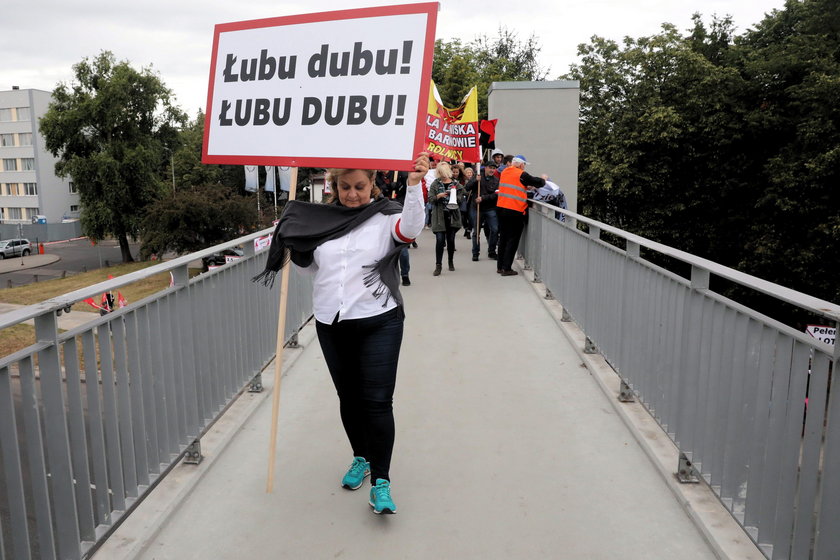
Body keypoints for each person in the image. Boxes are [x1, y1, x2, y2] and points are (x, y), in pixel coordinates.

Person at [253, 153, 430, 515]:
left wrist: (414, 185)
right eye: (345, 187)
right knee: (348, 397)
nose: (352, 194)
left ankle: (381, 481)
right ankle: (360, 458)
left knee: (377, 402)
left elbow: (410, 229)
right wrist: (294, 241)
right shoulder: (319, 222)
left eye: (359, 186)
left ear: (372, 185)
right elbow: (309, 270)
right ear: (334, 187)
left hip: (379, 319)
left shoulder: (386, 217)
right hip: (331, 322)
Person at [496, 154, 544, 276]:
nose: (524, 168)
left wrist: (525, 186)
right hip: (515, 210)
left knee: (503, 238)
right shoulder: (521, 174)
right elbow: (537, 182)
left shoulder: (505, 171)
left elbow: (515, 185)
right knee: (512, 239)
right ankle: (507, 268)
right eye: (524, 165)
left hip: (502, 208)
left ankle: (500, 266)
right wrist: (544, 178)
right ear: (521, 164)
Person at [428, 161, 466, 276]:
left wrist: (454, 196)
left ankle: (450, 261)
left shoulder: (455, 183)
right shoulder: (435, 184)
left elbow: (462, 195)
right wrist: (437, 196)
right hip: (439, 216)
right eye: (441, 173)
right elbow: (430, 199)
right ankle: (438, 265)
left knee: (450, 240)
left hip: (452, 215)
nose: (444, 175)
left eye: (445, 173)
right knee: (440, 240)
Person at [470, 161, 500, 261]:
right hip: (477, 208)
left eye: (494, 168)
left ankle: (491, 251)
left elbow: (496, 195)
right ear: (486, 168)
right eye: (490, 168)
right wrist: (475, 180)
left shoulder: (496, 180)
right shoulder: (477, 176)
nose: (492, 170)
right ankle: (475, 252)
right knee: (476, 232)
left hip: (490, 208)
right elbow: (467, 187)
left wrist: (483, 198)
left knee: (495, 230)